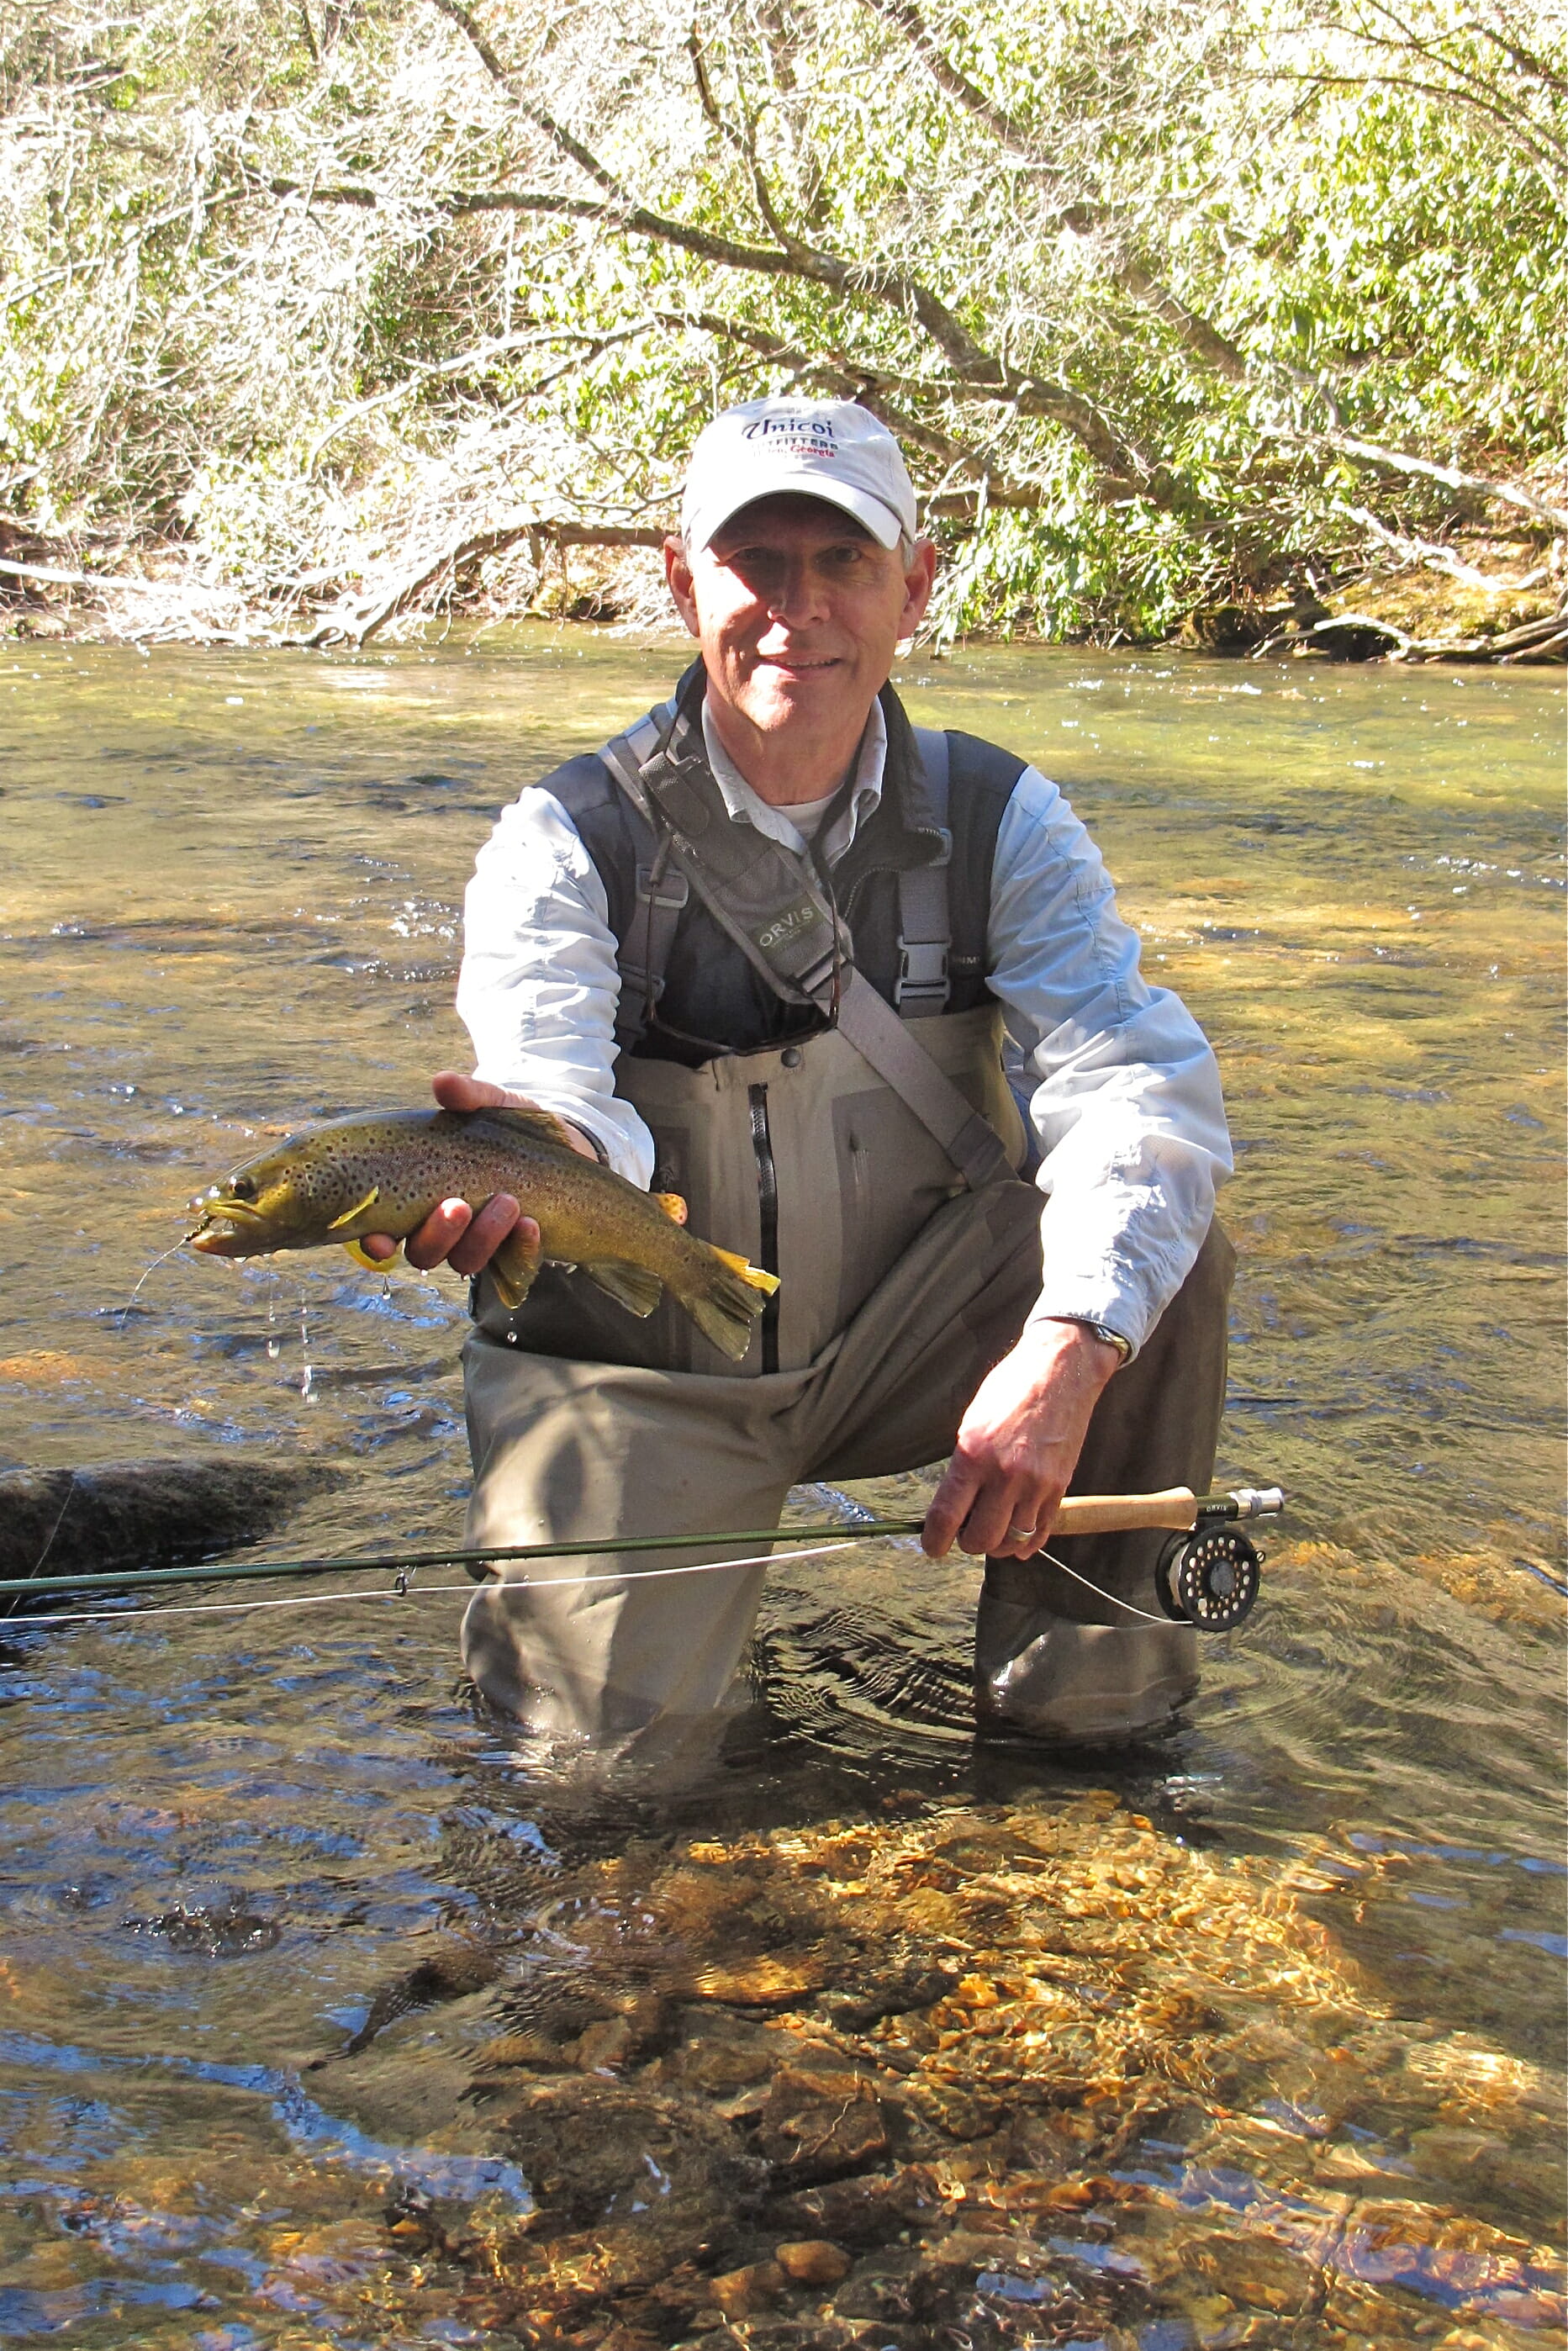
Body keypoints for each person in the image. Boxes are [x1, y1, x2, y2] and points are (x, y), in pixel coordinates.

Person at [365, 399, 1234, 1748]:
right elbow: (556, 1091)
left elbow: (1130, 1080)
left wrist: (1069, 1349)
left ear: (913, 586)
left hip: (915, 1329)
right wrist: (525, 1164)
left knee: (1159, 1266)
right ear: (679, 580)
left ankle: (1089, 1729)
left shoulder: (1004, 819)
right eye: (753, 562)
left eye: (841, 563)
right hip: (643, 1371)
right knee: (606, 1798)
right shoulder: (565, 836)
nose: (795, 608)